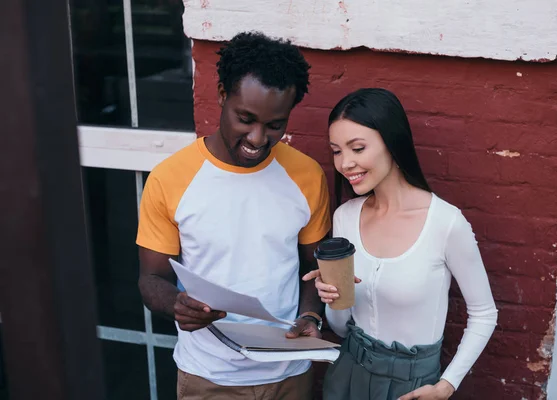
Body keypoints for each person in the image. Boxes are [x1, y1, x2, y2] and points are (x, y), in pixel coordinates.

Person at [136, 31, 331, 400]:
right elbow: (151, 277)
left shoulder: (307, 176)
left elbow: (314, 268)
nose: (258, 138)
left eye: (275, 125)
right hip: (208, 377)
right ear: (222, 95)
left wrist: (311, 317)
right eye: (246, 119)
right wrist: (176, 305)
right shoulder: (169, 178)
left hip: (289, 372)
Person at [304, 88, 498, 400]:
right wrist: (332, 296)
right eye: (337, 151)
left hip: (412, 385)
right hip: (347, 374)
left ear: (392, 142)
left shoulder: (445, 223)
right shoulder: (345, 218)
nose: (345, 163)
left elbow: (484, 312)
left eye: (357, 148)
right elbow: (340, 327)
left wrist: (446, 386)